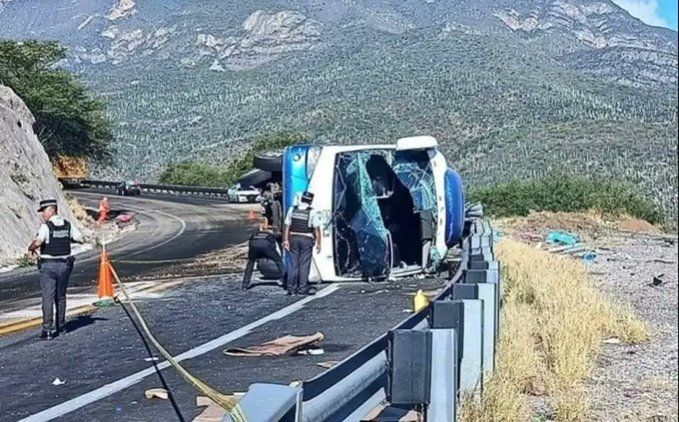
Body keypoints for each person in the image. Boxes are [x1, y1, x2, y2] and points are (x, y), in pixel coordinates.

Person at [27, 199, 85, 340]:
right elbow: (80, 239)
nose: (43, 215)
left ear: (52, 210)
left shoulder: (46, 227)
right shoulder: (68, 225)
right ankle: (61, 326)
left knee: (48, 297)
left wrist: (31, 247)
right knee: (61, 296)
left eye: (44, 211)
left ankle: (47, 330)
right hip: (65, 265)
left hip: (48, 266)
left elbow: (39, 241)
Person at [282, 191, 321, 296]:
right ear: (310, 201)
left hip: (293, 238)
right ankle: (302, 288)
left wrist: (285, 240)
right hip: (306, 239)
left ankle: (291, 288)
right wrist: (319, 243)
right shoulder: (312, 212)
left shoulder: (292, 209)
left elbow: (287, 226)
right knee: (304, 264)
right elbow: (316, 229)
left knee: (293, 264)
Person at [242, 220, 285, 290]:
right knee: (279, 261)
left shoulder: (255, 233)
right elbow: (275, 244)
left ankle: (245, 284)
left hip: (254, 245)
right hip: (266, 245)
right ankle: (285, 280)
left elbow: (250, 242)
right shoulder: (270, 234)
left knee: (250, 263)